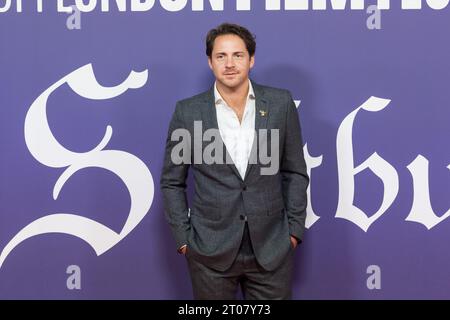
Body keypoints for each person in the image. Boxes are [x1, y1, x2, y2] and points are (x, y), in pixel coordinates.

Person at [160, 23, 309, 300]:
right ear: (210, 62)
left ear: (251, 60)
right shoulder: (188, 112)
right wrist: (185, 240)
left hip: (271, 248)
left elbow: (295, 171)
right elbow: (172, 182)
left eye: (238, 55)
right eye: (221, 56)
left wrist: (293, 232)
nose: (229, 64)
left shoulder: (280, 104)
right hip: (209, 252)